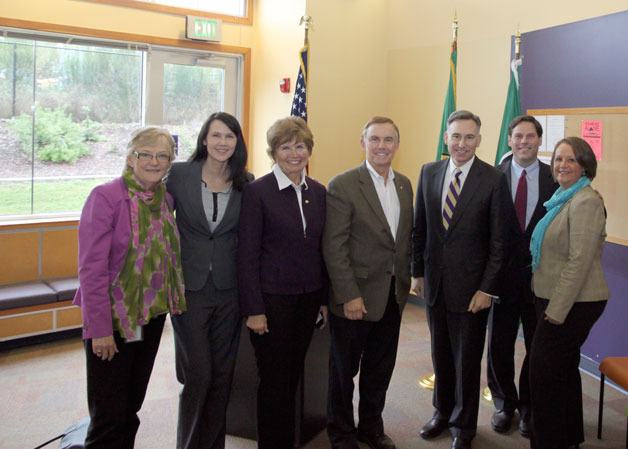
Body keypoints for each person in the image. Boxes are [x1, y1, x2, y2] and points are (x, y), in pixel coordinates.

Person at [74, 127, 186, 449]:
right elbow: (91, 270)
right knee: (108, 414)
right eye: (145, 154)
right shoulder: (105, 198)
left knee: (130, 407)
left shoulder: (166, 200)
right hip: (112, 320)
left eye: (162, 155)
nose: (154, 161)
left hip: (149, 318)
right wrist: (100, 330)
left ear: (169, 162)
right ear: (130, 157)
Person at [412, 110, 508, 449]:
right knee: (440, 354)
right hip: (435, 285)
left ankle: (463, 426)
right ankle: (441, 412)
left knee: (467, 359)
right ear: (446, 138)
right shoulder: (429, 172)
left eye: (469, 137)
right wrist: (417, 273)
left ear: (479, 141)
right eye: (456, 136)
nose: (461, 143)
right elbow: (419, 227)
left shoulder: (493, 179)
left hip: (473, 292)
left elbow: (500, 242)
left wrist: (487, 289)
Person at [237, 116, 328, 449]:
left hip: (307, 301)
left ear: (309, 150)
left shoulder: (318, 192)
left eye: (300, 146)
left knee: (291, 378)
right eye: (285, 146)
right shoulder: (257, 192)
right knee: (273, 381)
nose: (294, 153)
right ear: (274, 151)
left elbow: (322, 250)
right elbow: (246, 255)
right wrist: (254, 309)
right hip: (271, 303)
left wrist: (323, 300)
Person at [323, 116, 413, 449]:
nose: (381, 146)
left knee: (379, 370)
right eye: (374, 139)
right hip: (354, 298)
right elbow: (334, 246)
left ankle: (371, 428)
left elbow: (402, 239)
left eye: (389, 140)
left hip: (392, 296)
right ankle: (342, 433)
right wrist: (348, 295)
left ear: (397, 145)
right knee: (343, 373)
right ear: (362, 143)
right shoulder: (343, 184)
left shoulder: (404, 184)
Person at [166, 112, 252, 449]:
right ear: (204, 139)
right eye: (216, 136)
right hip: (189, 290)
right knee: (198, 375)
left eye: (229, 137)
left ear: (237, 142)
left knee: (222, 377)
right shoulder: (179, 175)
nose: (222, 143)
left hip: (229, 293)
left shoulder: (246, 182)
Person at [529, 137, 609, 449]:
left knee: (543, 375)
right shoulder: (563, 198)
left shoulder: (586, 201)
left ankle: (549, 442)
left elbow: (580, 261)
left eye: (571, 160)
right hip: (554, 297)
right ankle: (568, 438)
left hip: (574, 303)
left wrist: (555, 312)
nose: (562, 165)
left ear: (585, 165)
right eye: (558, 159)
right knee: (561, 369)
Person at [486, 116, 557, 437]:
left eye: (530, 136)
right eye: (518, 137)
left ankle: (529, 406)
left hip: (539, 280)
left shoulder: (554, 177)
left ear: (540, 141)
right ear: (510, 141)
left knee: (536, 346)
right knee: (499, 344)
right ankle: (505, 404)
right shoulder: (491, 177)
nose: (524, 142)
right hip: (500, 279)